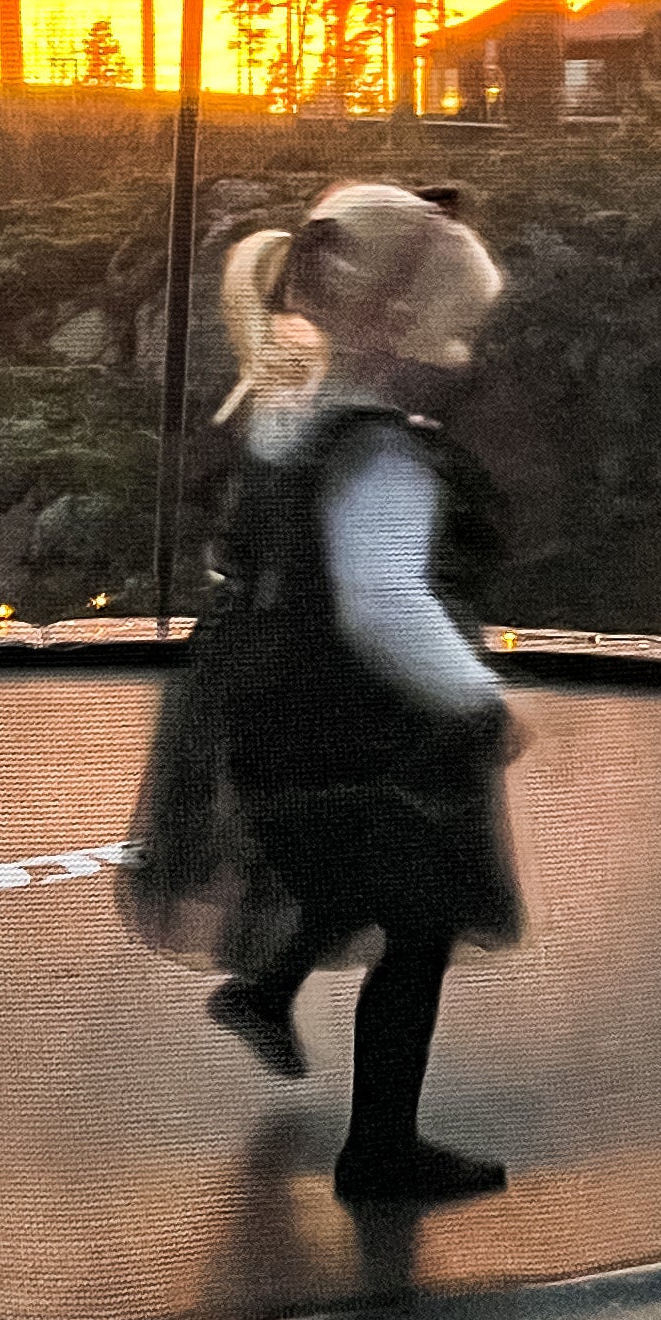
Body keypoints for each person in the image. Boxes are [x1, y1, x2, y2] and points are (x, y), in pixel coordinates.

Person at [122, 181, 522, 1206]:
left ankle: (267, 989)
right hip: (346, 724)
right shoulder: (382, 452)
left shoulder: (288, 414)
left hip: (261, 707)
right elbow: (384, 603)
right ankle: (381, 1150)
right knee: (420, 917)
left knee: (340, 863)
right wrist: (476, 698)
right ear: (407, 325)